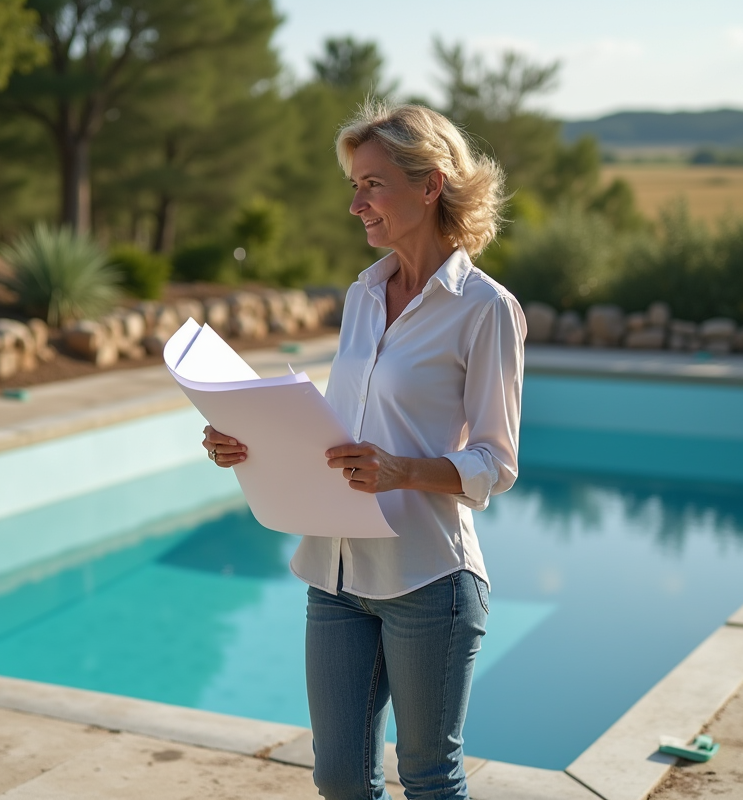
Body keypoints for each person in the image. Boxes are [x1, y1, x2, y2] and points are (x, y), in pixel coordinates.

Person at [202, 101, 525, 800]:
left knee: (429, 779)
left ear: (430, 184)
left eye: (371, 184)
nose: (356, 205)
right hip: (337, 576)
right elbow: (338, 427)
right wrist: (248, 441)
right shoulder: (362, 295)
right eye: (354, 186)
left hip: (428, 582)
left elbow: (496, 463)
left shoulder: (485, 308)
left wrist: (400, 471)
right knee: (341, 779)